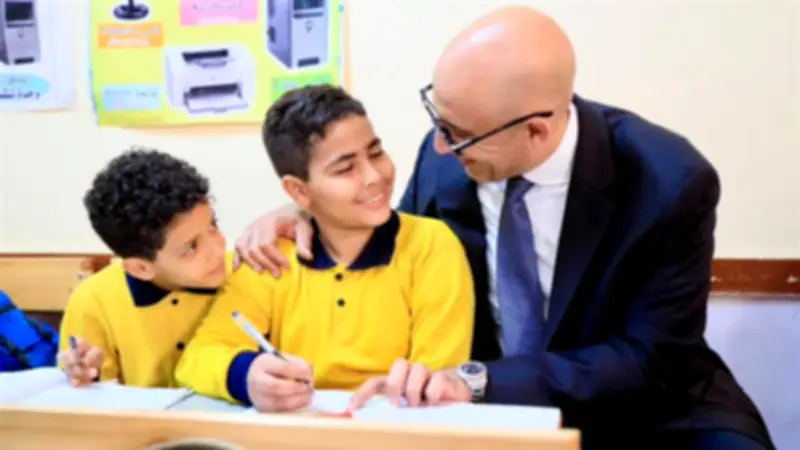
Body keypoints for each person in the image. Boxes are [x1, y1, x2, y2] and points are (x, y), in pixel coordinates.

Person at [231, 7, 774, 450]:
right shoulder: (446, 156)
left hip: (643, 405)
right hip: (479, 409)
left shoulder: (669, 180)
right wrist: (301, 212)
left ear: (536, 131)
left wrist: (477, 381)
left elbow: (650, 358)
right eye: (437, 119)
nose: (440, 146)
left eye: (459, 134)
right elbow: (395, 237)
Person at [175, 84, 475, 413]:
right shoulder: (271, 254)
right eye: (345, 169)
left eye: (376, 153)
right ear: (299, 191)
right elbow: (198, 358)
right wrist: (246, 376)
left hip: (399, 425)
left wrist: (415, 386)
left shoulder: (431, 245)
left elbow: (437, 376)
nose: (374, 176)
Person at [58, 148, 229, 388]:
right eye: (191, 248)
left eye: (213, 225)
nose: (218, 249)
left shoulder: (246, 272)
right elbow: (86, 390)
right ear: (140, 268)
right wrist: (86, 376)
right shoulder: (93, 301)